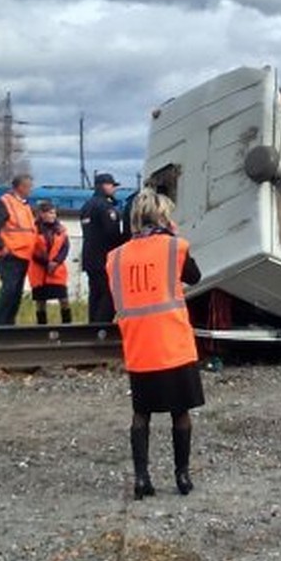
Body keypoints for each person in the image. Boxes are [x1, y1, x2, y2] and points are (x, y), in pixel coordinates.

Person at [107, 188, 203, 500]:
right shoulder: (173, 247)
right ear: (162, 216)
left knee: (141, 413)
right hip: (172, 343)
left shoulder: (116, 257)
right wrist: (173, 236)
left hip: (138, 345)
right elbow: (195, 276)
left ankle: (141, 478)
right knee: (181, 412)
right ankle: (182, 476)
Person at [0, 174, 36, 325]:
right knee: (9, 290)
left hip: (24, 255)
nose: (30, 189)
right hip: (11, 255)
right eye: (28, 186)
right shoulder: (6, 203)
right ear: (19, 187)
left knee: (15, 293)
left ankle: (8, 324)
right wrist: (2, 246)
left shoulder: (24, 205)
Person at [80, 172, 127, 323]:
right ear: (104, 186)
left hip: (89, 258)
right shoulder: (105, 207)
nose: (114, 189)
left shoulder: (86, 206)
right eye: (112, 186)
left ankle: (92, 326)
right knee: (109, 294)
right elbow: (111, 232)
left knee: (95, 294)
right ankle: (101, 327)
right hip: (104, 258)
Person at [28, 200, 73, 325]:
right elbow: (31, 250)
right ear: (41, 214)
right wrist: (47, 263)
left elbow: (65, 247)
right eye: (50, 213)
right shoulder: (33, 229)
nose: (53, 215)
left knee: (64, 299)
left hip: (57, 270)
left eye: (54, 213)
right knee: (41, 302)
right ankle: (41, 327)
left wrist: (56, 261)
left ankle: (67, 326)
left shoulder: (60, 229)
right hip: (39, 271)